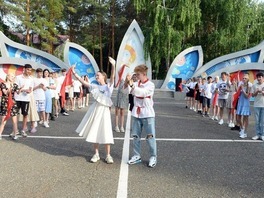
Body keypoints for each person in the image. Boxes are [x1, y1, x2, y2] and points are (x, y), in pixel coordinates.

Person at [72, 57, 115, 164]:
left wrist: (113, 65)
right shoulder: (94, 86)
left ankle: (108, 155)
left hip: (104, 112)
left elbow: (113, 77)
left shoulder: (108, 86)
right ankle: (96, 154)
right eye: (96, 75)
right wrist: (74, 73)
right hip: (95, 110)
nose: (96, 76)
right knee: (95, 131)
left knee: (106, 132)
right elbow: (83, 82)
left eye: (98, 75)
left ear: (104, 77)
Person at [127, 64, 157, 168]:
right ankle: (136, 155)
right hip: (136, 113)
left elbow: (142, 93)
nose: (137, 76)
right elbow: (130, 91)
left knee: (150, 136)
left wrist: (132, 86)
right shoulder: (135, 83)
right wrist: (129, 83)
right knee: (135, 136)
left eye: (138, 74)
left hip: (147, 114)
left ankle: (153, 156)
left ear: (144, 74)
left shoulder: (150, 85)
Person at [14, 64, 34, 137]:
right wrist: (23, 89)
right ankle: (15, 130)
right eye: (28, 69)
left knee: (25, 114)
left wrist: (28, 91)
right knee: (15, 114)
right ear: (24, 69)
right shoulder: (18, 78)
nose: (29, 71)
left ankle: (23, 130)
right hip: (17, 98)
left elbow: (31, 89)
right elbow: (15, 89)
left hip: (26, 99)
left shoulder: (31, 79)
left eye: (30, 70)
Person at [0, 73, 20, 140]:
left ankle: (15, 134)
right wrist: (9, 89)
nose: (13, 78)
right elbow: (5, 92)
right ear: (8, 76)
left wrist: (20, 89)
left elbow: (18, 92)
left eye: (14, 77)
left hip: (12, 103)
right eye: (11, 76)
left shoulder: (15, 85)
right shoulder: (3, 84)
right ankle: (0, 134)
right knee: (3, 120)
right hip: (5, 103)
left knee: (14, 121)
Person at [236, 73, 252, 138]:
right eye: (243, 78)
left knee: (246, 118)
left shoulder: (250, 85)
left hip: (246, 102)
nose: (244, 79)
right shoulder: (241, 83)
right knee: (238, 117)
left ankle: (245, 132)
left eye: (245, 78)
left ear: (248, 78)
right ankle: (242, 128)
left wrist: (242, 89)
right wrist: (237, 86)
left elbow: (247, 96)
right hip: (240, 101)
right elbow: (237, 91)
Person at [251, 72, 264, 140]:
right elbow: (253, 95)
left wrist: (261, 91)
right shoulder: (254, 85)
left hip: (263, 105)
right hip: (256, 105)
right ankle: (257, 134)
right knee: (257, 121)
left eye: (260, 77)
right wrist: (256, 91)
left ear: (263, 78)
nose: (259, 78)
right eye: (258, 77)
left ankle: (262, 134)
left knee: (263, 121)